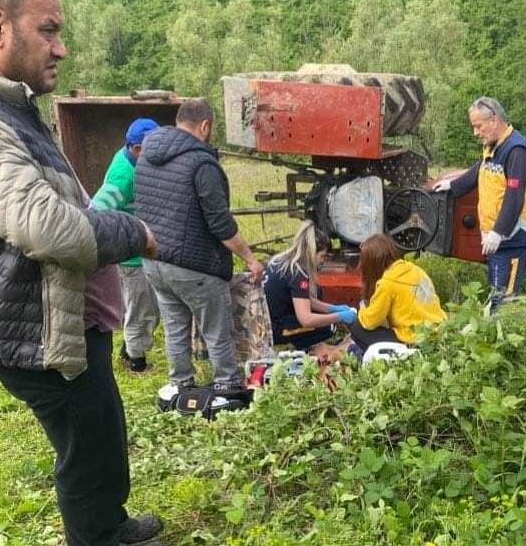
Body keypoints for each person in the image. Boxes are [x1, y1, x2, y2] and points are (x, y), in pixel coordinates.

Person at [0, 0, 167, 546]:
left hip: (63, 323)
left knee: (102, 428)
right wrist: (134, 231)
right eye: (48, 30)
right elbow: (43, 224)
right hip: (32, 332)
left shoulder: (12, 107)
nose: (61, 48)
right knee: (83, 445)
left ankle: (109, 523)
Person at [135, 99, 262, 395]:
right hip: (195, 266)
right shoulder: (201, 164)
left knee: (175, 327)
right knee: (216, 328)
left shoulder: (146, 157)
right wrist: (250, 259)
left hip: (154, 261)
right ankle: (227, 386)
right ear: (204, 126)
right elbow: (220, 224)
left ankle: (181, 383)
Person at [434, 97, 526, 309]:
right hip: (497, 239)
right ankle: (491, 330)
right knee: (494, 290)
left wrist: (499, 231)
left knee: (503, 298)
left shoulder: (516, 150)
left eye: (478, 126)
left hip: (514, 238)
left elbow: (515, 195)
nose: (476, 132)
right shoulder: (493, 146)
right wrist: (453, 186)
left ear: (494, 120)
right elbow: (479, 170)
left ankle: (503, 332)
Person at [92, 117, 160, 373]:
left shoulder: (134, 160)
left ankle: (128, 349)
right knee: (142, 309)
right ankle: (137, 362)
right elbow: (98, 210)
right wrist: (125, 238)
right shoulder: (123, 176)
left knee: (148, 308)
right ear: (136, 149)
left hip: (141, 252)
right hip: (131, 257)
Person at [262, 220, 357, 349]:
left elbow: (304, 299)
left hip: (265, 320)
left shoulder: (282, 261)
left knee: (317, 294)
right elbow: (306, 319)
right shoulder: (298, 273)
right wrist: (338, 317)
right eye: (322, 256)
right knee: (328, 328)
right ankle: (296, 346)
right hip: (273, 329)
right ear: (312, 253)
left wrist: (332, 308)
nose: (322, 260)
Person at [350, 233, 446, 354]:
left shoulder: (387, 283)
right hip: (438, 333)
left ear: (371, 263)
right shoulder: (415, 269)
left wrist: (360, 311)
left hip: (414, 340)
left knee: (357, 328)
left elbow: (370, 322)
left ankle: (395, 357)